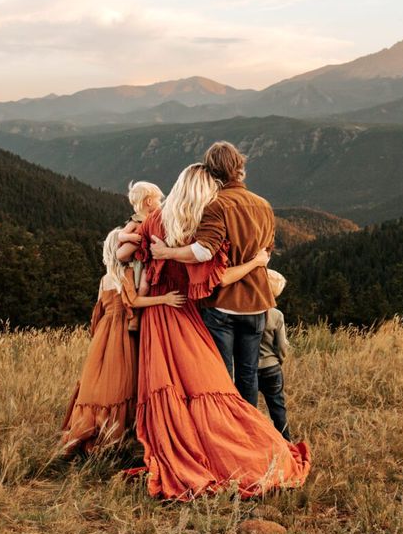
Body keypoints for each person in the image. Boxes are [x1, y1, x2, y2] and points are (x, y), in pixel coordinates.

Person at [117, 164, 310, 500]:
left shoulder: (153, 221)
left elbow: (135, 267)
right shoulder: (198, 227)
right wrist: (255, 264)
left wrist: (140, 300)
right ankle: (242, 448)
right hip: (188, 312)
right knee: (211, 382)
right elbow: (213, 280)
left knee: (171, 385)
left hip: (158, 318)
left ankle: (176, 443)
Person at [149, 141, 275, 408]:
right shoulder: (264, 205)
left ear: (213, 172)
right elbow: (266, 253)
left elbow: (203, 251)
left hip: (223, 304)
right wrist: (253, 263)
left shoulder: (216, 205)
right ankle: (251, 429)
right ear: (240, 168)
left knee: (219, 375)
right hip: (256, 303)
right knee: (248, 374)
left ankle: (226, 427)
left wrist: (167, 253)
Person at [61, 227, 185, 455]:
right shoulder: (125, 275)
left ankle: (89, 426)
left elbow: (97, 312)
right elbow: (135, 301)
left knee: (99, 381)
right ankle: (116, 433)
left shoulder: (105, 279)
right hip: (120, 332)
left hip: (102, 333)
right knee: (122, 381)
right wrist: (165, 299)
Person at [258, 270, 291, 441]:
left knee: (250, 408)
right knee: (278, 408)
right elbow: (282, 345)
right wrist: (279, 360)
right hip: (271, 367)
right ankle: (286, 441)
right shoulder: (277, 315)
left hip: (250, 368)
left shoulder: (249, 312)